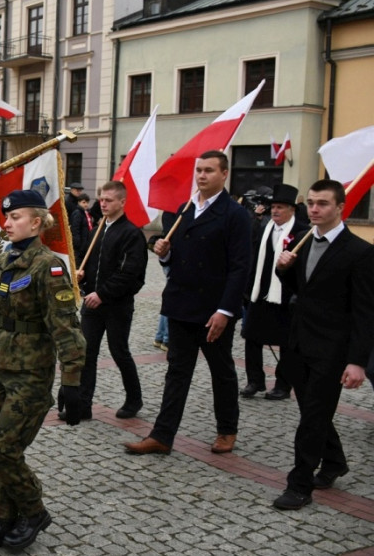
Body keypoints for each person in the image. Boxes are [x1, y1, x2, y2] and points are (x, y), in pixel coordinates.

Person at [0, 189, 85, 551]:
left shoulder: (47, 266)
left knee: (5, 448)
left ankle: (33, 512)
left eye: (15, 217)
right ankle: (6, 519)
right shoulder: (5, 260)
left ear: (36, 222)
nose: (7, 223)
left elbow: (66, 328)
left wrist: (73, 382)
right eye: (7, 218)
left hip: (31, 375)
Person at [125, 150, 252, 456]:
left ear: (224, 174)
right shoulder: (185, 209)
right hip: (181, 305)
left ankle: (227, 429)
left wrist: (225, 310)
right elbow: (179, 257)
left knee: (221, 372)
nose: (202, 175)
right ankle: (162, 435)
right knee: (177, 373)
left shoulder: (235, 215)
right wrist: (165, 251)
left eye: (209, 170)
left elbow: (240, 267)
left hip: (213, 309)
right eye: (199, 170)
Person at [270, 180, 374, 510]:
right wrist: (283, 269)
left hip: (333, 349)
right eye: (311, 203)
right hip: (300, 343)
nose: (314, 209)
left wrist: (357, 361)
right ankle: (333, 462)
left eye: (323, 204)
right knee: (313, 410)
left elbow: (365, 312)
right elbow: (302, 289)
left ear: (340, 207)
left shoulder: (360, 252)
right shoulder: (302, 242)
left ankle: (299, 485)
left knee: (313, 417)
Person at [70, 180, 147, 421]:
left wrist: (103, 294)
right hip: (92, 305)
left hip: (116, 305)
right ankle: (83, 405)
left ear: (122, 202)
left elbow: (130, 274)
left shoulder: (131, 234)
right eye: (101, 199)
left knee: (119, 351)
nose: (103, 204)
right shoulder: (98, 230)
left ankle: (134, 399)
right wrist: (81, 278)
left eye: (109, 200)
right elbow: (88, 261)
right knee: (87, 353)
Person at [239, 184, 307, 400]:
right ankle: (255, 381)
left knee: (287, 344)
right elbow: (253, 258)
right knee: (251, 336)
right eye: (273, 207)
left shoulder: (301, 232)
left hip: (287, 297)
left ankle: (283, 385)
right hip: (261, 292)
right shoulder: (264, 228)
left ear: (292, 210)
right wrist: (248, 290)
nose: (275, 211)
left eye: (280, 207)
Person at [69, 193, 94, 265]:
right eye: (84, 202)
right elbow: (75, 229)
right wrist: (78, 244)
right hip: (80, 246)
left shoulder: (86, 213)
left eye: (87, 202)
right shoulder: (77, 213)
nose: (86, 204)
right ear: (79, 202)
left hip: (85, 243)